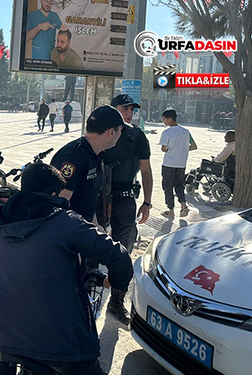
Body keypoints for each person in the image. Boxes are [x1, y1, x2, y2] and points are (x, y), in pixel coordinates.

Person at [0, 163, 133, 375]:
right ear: (53, 194)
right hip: (55, 338)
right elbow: (120, 256)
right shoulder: (66, 223)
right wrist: (112, 281)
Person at [96, 94, 153, 325]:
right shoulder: (100, 131)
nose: (129, 112)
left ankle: (116, 301)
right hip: (98, 196)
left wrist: (147, 203)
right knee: (90, 244)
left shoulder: (136, 136)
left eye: (132, 109)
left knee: (123, 251)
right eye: (124, 107)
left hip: (125, 198)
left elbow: (146, 171)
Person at [51, 106, 129, 224]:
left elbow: (87, 201)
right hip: (67, 233)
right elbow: (59, 203)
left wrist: (96, 227)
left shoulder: (96, 154)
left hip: (82, 230)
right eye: (121, 130)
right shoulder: (73, 156)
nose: (120, 135)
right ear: (111, 132)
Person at [159, 109, 197, 218]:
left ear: (170, 119)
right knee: (179, 185)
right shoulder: (186, 131)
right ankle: (183, 205)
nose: (163, 121)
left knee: (168, 186)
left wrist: (172, 150)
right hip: (181, 164)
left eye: (164, 119)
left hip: (169, 163)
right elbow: (194, 146)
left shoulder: (167, 132)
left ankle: (170, 210)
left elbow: (163, 148)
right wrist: (182, 149)